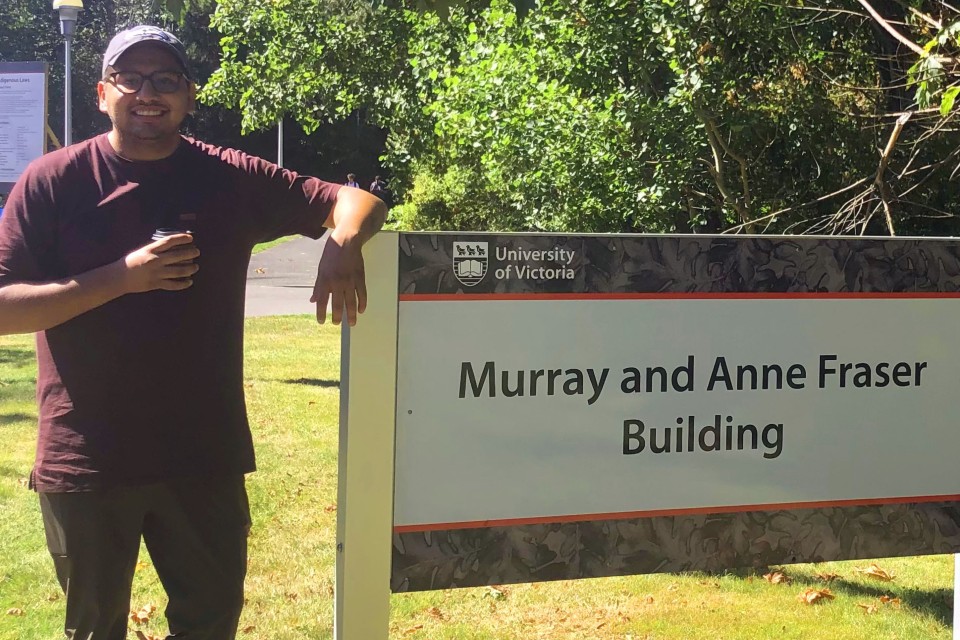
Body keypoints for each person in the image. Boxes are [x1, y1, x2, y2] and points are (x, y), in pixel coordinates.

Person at [0, 25, 386, 640]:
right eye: (131, 79)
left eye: (166, 80)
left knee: (209, 625)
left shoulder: (226, 175)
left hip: (202, 453)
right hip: (87, 457)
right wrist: (119, 279)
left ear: (189, 95)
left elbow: (352, 199)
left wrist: (343, 240)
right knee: (94, 631)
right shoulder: (53, 182)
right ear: (103, 93)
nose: (147, 93)